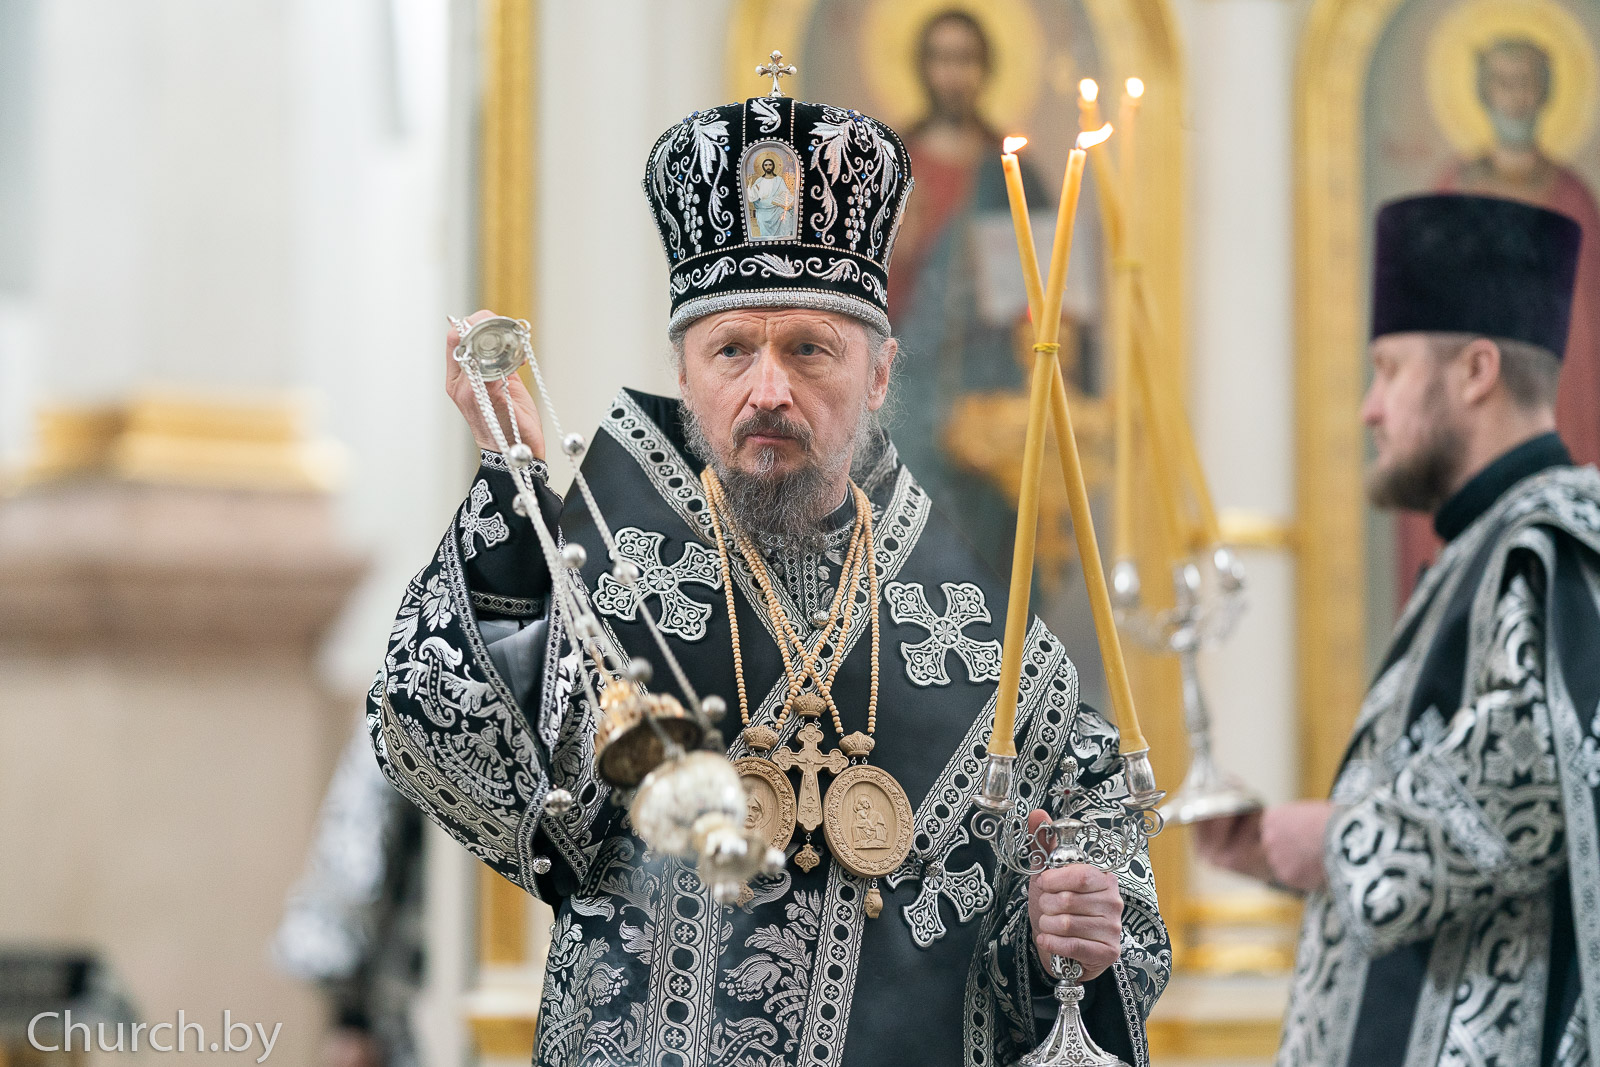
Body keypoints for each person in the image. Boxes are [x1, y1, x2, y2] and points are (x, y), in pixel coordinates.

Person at [368, 80, 1169, 1067]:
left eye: (809, 349)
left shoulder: (977, 630)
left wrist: (1063, 935)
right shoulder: (603, 561)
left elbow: (1091, 877)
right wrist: (513, 482)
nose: (768, 389)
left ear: (880, 373)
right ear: (685, 373)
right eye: (732, 350)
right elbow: (444, 739)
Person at [1197, 193, 1600, 1067]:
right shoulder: (1484, 547)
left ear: (1477, 371)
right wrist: (1281, 846)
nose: (1369, 408)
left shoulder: (1550, 543)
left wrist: (1331, 841)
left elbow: (1529, 788)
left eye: (1388, 369)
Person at [1395, 39, 1600, 600]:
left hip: (1564, 400)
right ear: (1483, 92)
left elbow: (1586, 332)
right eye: (1502, 82)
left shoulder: (1571, 197)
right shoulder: (1452, 186)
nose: (1514, 97)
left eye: (1525, 82)